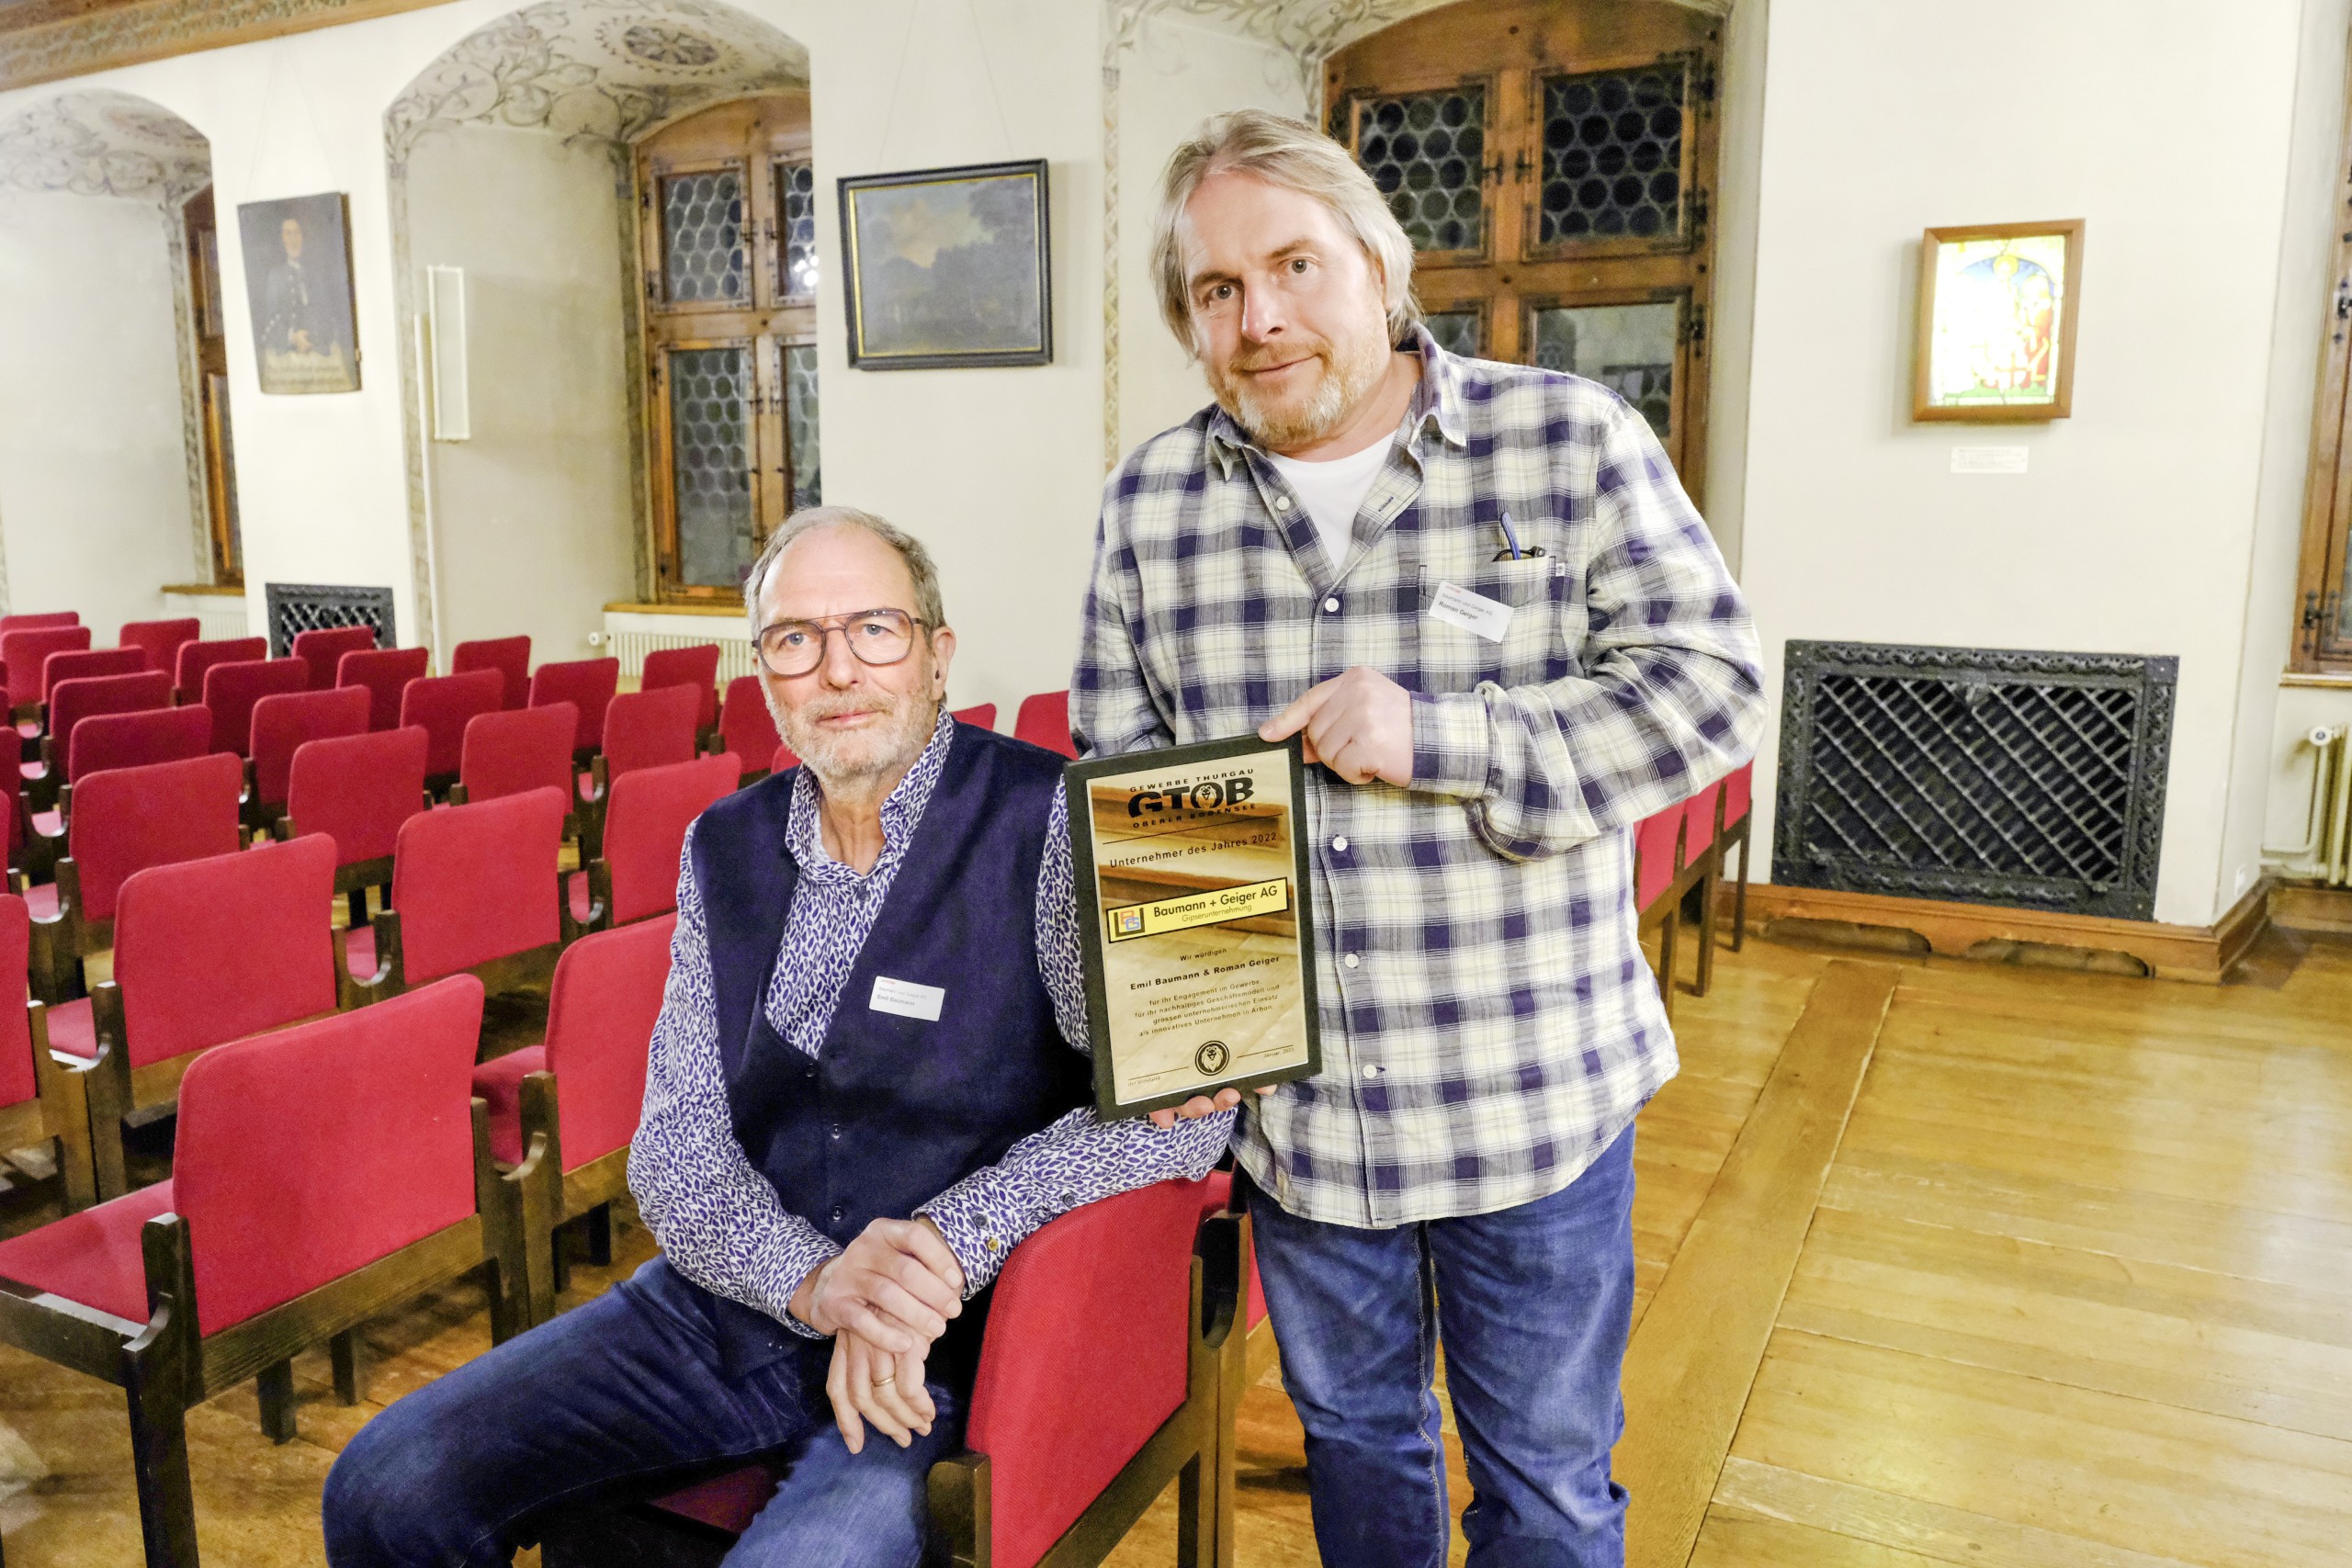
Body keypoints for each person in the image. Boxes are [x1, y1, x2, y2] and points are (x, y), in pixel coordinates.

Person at [1076, 110, 1764, 1566]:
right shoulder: (1150, 500)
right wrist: (1189, 1030)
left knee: (1548, 1486)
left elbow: (1714, 690)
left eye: (1295, 266)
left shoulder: (1566, 438)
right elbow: (1129, 770)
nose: (1260, 318)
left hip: (1529, 1101)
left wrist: (1442, 736)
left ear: (1381, 270)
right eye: (1216, 288)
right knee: (1359, 1452)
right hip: (1307, 1127)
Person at [323, 507, 1233, 1567]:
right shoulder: (723, 843)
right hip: (731, 1309)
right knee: (386, 1487)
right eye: (797, 639)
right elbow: (677, 1147)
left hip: (950, 1346)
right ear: (764, 675)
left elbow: (1178, 1120)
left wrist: (943, 1246)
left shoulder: (1064, 825)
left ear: (938, 656)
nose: (838, 670)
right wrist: (815, 1282)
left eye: (876, 630)